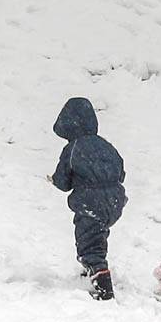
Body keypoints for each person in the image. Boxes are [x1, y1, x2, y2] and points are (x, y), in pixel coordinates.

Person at [51, 97, 127, 301]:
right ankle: (91, 271)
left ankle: (103, 287)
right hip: (115, 201)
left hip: (90, 201)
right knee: (97, 234)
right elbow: (121, 173)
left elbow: (62, 181)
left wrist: (59, 180)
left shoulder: (74, 148)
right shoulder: (106, 146)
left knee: (88, 243)